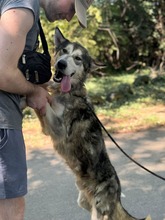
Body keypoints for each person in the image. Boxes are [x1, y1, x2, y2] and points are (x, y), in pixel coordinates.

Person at [0, 0, 94, 219]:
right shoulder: (23, 5)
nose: (70, 17)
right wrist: (33, 92)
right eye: (73, 8)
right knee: (10, 206)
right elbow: (2, 71)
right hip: (2, 121)